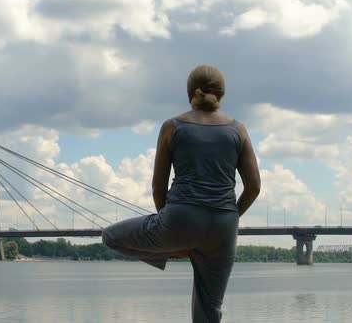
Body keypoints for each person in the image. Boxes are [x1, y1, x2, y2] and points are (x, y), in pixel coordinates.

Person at [102, 65, 261, 322]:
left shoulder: (172, 127)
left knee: (110, 237)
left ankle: (174, 251)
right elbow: (253, 187)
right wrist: (231, 215)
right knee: (208, 310)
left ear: (189, 93)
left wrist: (168, 233)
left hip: (179, 220)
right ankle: (185, 248)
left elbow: (158, 186)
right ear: (222, 95)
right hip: (224, 226)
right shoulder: (238, 130)